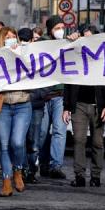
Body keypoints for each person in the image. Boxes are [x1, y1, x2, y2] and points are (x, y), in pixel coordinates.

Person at [62, 26, 105, 188]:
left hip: (98, 106)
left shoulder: (104, 57)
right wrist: (67, 106)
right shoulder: (75, 55)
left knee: (98, 143)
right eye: (84, 38)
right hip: (79, 105)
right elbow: (68, 81)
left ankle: (96, 176)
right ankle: (79, 176)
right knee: (79, 140)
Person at [0, 27, 32, 197]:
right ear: (1, 40)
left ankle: (18, 171)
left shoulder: (24, 53)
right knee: (5, 145)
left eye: (13, 36)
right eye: (7, 37)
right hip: (4, 106)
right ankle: (6, 181)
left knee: (18, 142)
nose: (11, 39)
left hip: (23, 104)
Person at [38, 15, 70, 179]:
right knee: (42, 132)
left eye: (62, 28)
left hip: (60, 96)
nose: (60, 31)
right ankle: (41, 164)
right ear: (50, 30)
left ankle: (55, 166)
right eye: (57, 28)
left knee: (59, 131)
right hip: (43, 96)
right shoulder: (40, 45)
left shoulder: (67, 43)